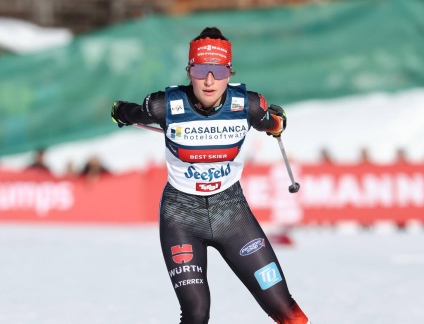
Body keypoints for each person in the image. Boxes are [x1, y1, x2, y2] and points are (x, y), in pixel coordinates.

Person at [110, 27, 310, 324]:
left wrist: (277, 124)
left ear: (229, 72)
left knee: (286, 311)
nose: (209, 80)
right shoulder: (164, 105)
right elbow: (135, 113)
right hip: (181, 218)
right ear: (190, 71)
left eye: (217, 70)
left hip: (232, 216)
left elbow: (270, 123)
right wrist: (120, 111)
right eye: (201, 69)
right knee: (197, 312)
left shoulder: (249, 105)